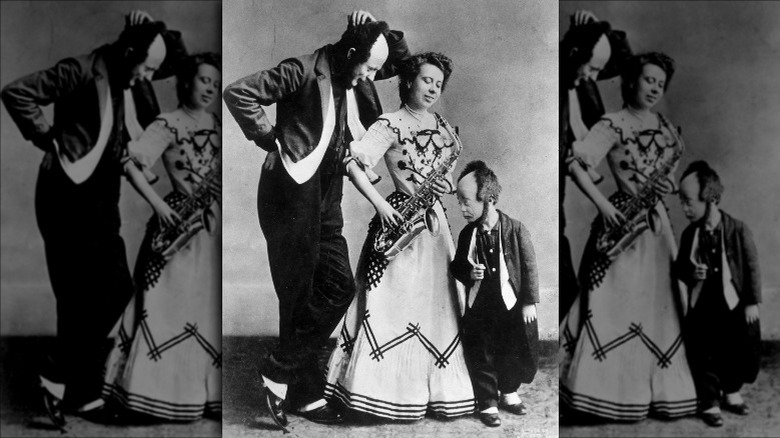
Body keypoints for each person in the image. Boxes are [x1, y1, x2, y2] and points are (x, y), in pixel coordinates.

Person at [222, 10, 410, 427]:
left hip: (327, 196)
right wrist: (271, 138)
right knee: (298, 292)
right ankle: (304, 396)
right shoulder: (301, 70)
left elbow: (399, 63)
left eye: (374, 70)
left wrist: (379, 27)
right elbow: (239, 93)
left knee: (338, 285)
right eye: (368, 67)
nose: (370, 78)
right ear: (349, 52)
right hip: (288, 194)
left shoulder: (355, 70)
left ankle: (279, 369)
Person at [0, 10, 186, 428]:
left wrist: (153, 25)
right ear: (129, 52)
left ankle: (58, 375)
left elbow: (177, 64)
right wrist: (47, 137)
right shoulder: (80, 70)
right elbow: (17, 92)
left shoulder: (128, 70)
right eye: (146, 67)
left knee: (115, 287)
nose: (148, 77)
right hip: (64, 195)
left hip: (102, 198)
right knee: (75, 295)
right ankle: (78, 394)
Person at [324, 51, 475, 422]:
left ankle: (432, 394)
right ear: (407, 81)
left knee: (437, 304)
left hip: (434, 226)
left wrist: (446, 184)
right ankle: (377, 396)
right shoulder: (388, 124)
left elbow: (448, 178)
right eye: (426, 80)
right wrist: (380, 205)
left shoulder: (444, 127)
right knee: (391, 305)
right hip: (399, 223)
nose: (433, 89)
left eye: (438, 84)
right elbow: (353, 163)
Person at [559, 52, 698, 421]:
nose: (654, 88)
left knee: (658, 303)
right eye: (648, 79)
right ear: (631, 80)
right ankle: (604, 397)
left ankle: (656, 395)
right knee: (612, 305)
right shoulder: (612, 123)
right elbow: (575, 163)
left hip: (656, 227)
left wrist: (668, 184)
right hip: (621, 223)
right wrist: (604, 205)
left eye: (660, 83)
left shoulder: (668, 127)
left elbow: (669, 177)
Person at [100, 52, 222, 422]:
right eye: (204, 81)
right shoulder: (166, 124)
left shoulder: (218, 122)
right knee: (168, 307)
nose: (211, 89)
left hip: (210, 228)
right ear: (186, 82)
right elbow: (131, 163)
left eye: (216, 84)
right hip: (175, 229)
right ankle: (151, 397)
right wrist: (158, 205)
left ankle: (203, 397)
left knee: (206, 308)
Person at [450, 161, 540, 427]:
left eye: (466, 202)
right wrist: (469, 273)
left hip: (510, 304)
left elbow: (530, 266)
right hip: (480, 306)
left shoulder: (515, 229)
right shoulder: (469, 233)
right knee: (482, 351)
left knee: (511, 348)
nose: (462, 209)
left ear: (488, 199)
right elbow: (456, 266)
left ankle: (509, 392)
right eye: (459, 202)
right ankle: (488, 401)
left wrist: (529, 302)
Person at [675, 161, 762, 428]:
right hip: (703, 304)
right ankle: (710, 400)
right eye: (682, 202)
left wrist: (751, 302)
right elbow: (680, 268)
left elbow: (751, 266)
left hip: (732, 302)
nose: (685, 208)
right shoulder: (691, 233)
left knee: (735, 348)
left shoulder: (737, 229)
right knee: (704, 352)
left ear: (711, 199)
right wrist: (692, 272)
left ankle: (732, 391)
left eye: (689, 202)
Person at [559, 10, 632, 322]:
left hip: (570, 169)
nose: (593, 77)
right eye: (591, 67)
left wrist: (599, 28)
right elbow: (567, 159)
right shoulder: (554, 80)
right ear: (574, 54)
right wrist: (602, 204)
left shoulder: (581, 74)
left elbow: (624, 63)